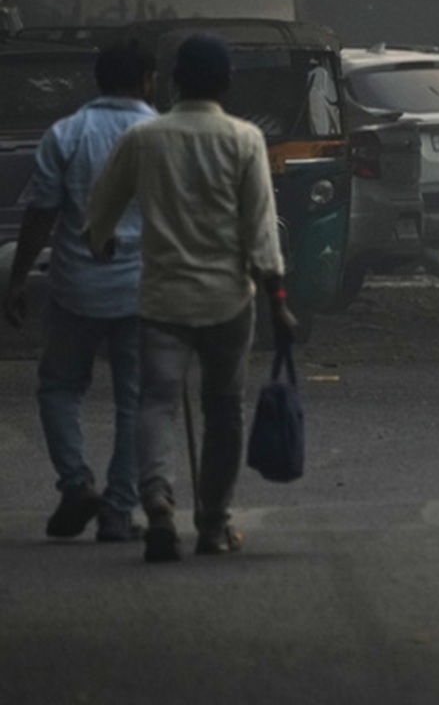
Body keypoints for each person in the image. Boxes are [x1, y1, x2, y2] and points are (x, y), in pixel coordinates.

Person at [86, 33, 297, 563]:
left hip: (162, 299)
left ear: (174, 80)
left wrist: (103, 239)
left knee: (155, 403)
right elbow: (260, 231)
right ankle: (213, 524)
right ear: (226, 81)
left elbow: (101, 208)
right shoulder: (245, 139)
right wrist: (278, 299)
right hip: (229, 300)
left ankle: (157, 500)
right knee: (223, 411)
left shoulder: (145, 137)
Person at [4, 41, 158, 543]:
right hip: (143, 291)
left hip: (76, 290)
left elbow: (41, 212)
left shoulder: (67, 133)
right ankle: (117, 511)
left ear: (97, 80)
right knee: (136, 402)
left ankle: (76, 483)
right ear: (148, 80)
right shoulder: (161, 135)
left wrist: (18, 277)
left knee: (59, 389)